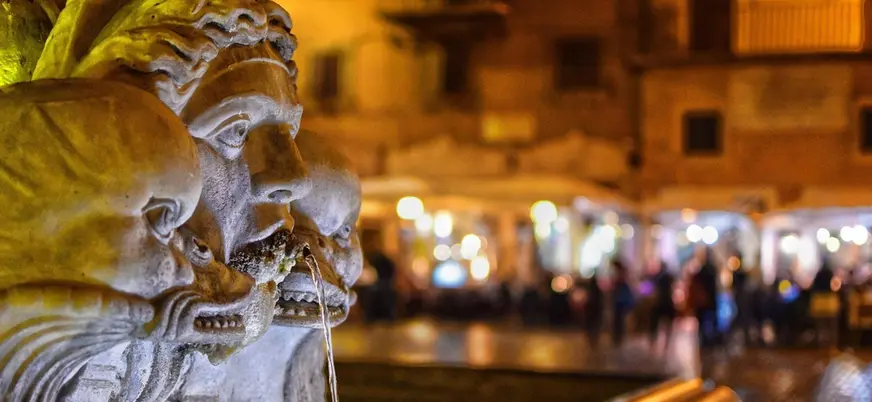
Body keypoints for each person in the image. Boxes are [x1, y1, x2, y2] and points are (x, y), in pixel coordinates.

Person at [689, 247, 719, 348]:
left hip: (704, 300)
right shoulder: (713, 270)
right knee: (712, 320)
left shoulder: (703, 271)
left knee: (702, 321)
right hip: (710, 299)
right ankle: (711, 339)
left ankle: (705, 339)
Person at [649, 260, 676, 350]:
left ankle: (654, 342)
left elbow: (654, 290)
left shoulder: (658, 277)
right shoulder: (669, 276)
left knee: (655, 323)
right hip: (667, 302)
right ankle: (666, 343)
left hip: (660, 302)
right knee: (667, 324)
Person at [611, 260, 635, 347]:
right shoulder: (622, 274)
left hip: (620, 300)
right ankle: (618, 337)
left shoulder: (620, 275)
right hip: (620, 300)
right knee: (619, 320)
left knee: (618, 320)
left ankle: (618, 337)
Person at [584, 272, 605, 346]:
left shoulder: (590, 291)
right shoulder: (597, 291)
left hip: (592, 311)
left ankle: (592, 339)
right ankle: (593, 339)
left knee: (592, 325)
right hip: (595, 311)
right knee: (595, 325)